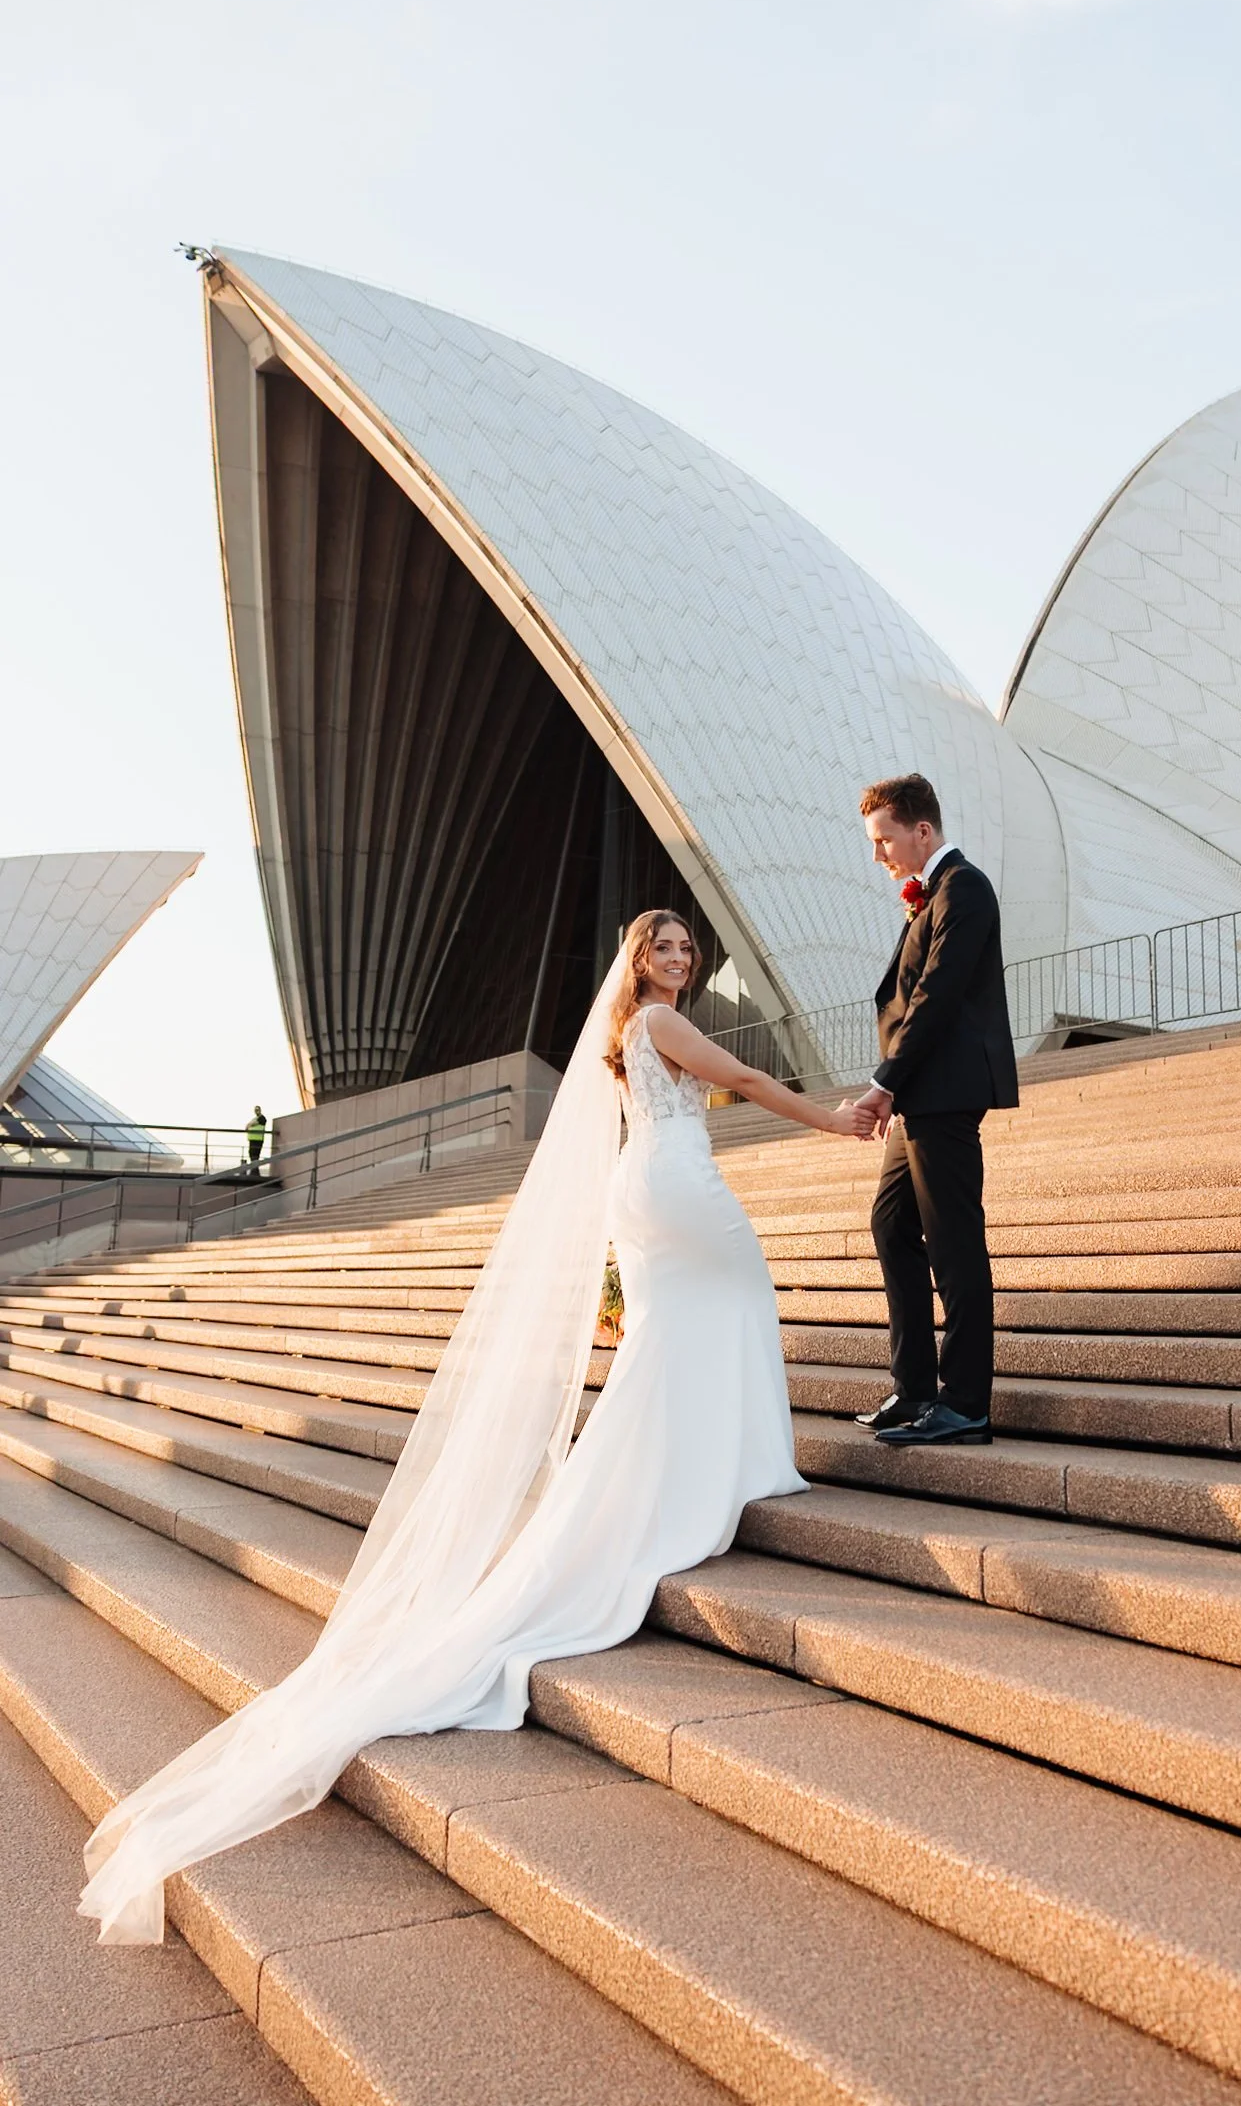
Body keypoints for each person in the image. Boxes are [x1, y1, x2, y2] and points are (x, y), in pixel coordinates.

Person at [79, 909, 875, 1944]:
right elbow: (754, 1083)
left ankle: (697, 1473)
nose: (676, 961)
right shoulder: (661, 1026)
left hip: (648, 1192)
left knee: (677, 1339)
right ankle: (709, 1477)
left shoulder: (625, 1035)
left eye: (684, 950)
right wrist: (840, 1118)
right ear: (635, 964)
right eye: (660, 950)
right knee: (730, 1305)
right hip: (677, 1188)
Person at [852, 774, 1017, 1446]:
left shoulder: (965, 888)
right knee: (891, 1225)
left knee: (953, 1245)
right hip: (923, 1095)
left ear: (922, 830)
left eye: (884, 838)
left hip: (944, 1095)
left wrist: (884, 1082)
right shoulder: (929, 898)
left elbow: (938, 997)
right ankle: (915, 1386)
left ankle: (966, 1400)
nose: (879, 854)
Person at [244, 1105, 267, 1175]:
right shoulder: (255, 1118)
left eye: (257, 1110)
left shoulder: (262, 1118)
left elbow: (252, 1124)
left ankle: (255, 1171)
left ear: (260, 1110)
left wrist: (249, 1125)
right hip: (252, 1139)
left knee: (255, 1155)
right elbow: (247, 1126)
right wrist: (249, 1125)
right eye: (255, 1110)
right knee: (252, 1154)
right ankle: (254, 1170)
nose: (256, 1111)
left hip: (258, 1139)